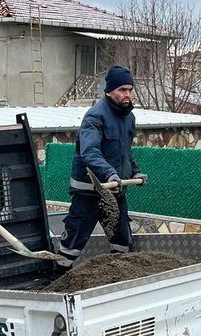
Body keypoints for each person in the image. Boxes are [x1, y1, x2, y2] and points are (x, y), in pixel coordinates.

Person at [56, 65, 148, 271]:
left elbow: (124, 152)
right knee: (72, 244)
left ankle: (118, 277)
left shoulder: (129, 118)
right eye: (122, 90)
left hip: (115, 192)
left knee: (122, 242)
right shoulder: (95, 117)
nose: (127, 94)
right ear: (109, 91)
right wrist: (109, 174)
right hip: (89, 192)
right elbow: (90, 152)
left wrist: (135, 171)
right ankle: (57, 276)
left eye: (130, 90)